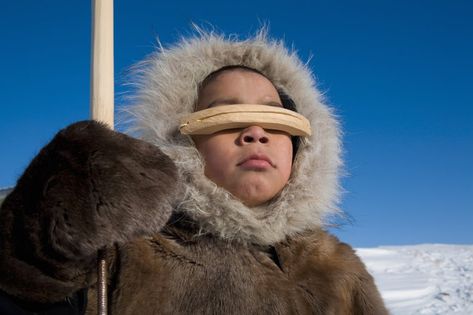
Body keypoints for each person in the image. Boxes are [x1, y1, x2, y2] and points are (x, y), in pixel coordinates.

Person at [0, 30, 388, 314]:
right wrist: (42, 236)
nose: (255, 132)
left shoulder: (338, 273)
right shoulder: (120, 249)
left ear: (301, 146)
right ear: (186, 140)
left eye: (275, 118)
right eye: (225, 115)